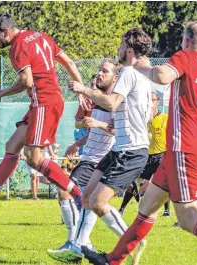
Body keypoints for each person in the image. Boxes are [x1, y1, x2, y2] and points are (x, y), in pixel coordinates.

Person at [82, 21, 197, 265]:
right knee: (147, 207)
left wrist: (141, 68)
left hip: (184, 149)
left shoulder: (186, 57)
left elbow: (161, 75)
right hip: (182, 150)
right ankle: (113, 260)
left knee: (188, 220)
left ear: (187, 41)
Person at [0, 13, 88, 209]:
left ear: (6, 32)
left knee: (34, 159)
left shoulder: (18, 47)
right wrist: (82, 89)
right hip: (43, 102)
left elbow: (26, 81)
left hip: (44, 103)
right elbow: (70, 63)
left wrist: (1, 93)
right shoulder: (41, 36)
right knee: (12, 145)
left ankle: (79, 195)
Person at [63, 28, 152, 264]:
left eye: (122, 45)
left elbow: (112, 104)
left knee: (98, 203)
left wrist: (84, 89)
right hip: (119, 149)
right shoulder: (143, 76)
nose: (118, 49)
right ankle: (78, 245)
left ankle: (133, 239)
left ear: (129, 50)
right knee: (86, 197)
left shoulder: (130, 72)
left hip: (130, 150)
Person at [47, 59, 120, 262]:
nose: (99, 73)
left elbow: (117, 131)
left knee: (67, 192)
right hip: (89, 157)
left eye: (104, 71)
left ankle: (75, 243)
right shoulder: (98, 100)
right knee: (89, 202)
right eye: (99, 70)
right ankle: (80, 245)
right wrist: (78, 143)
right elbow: (92, 129)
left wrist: (97, 123)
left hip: (100, 160)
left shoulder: (115, 101)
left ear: (116, 77)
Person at [118, 91, 170, 217]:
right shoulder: (142, 119)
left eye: (153, 99)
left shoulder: (165, 118)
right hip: (145, 154)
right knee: (133, 180)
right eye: (148, 100)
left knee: (164, 182)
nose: (150, 102)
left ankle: (166, 210)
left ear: (158, 102)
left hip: (161, 154)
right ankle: (122, 209)